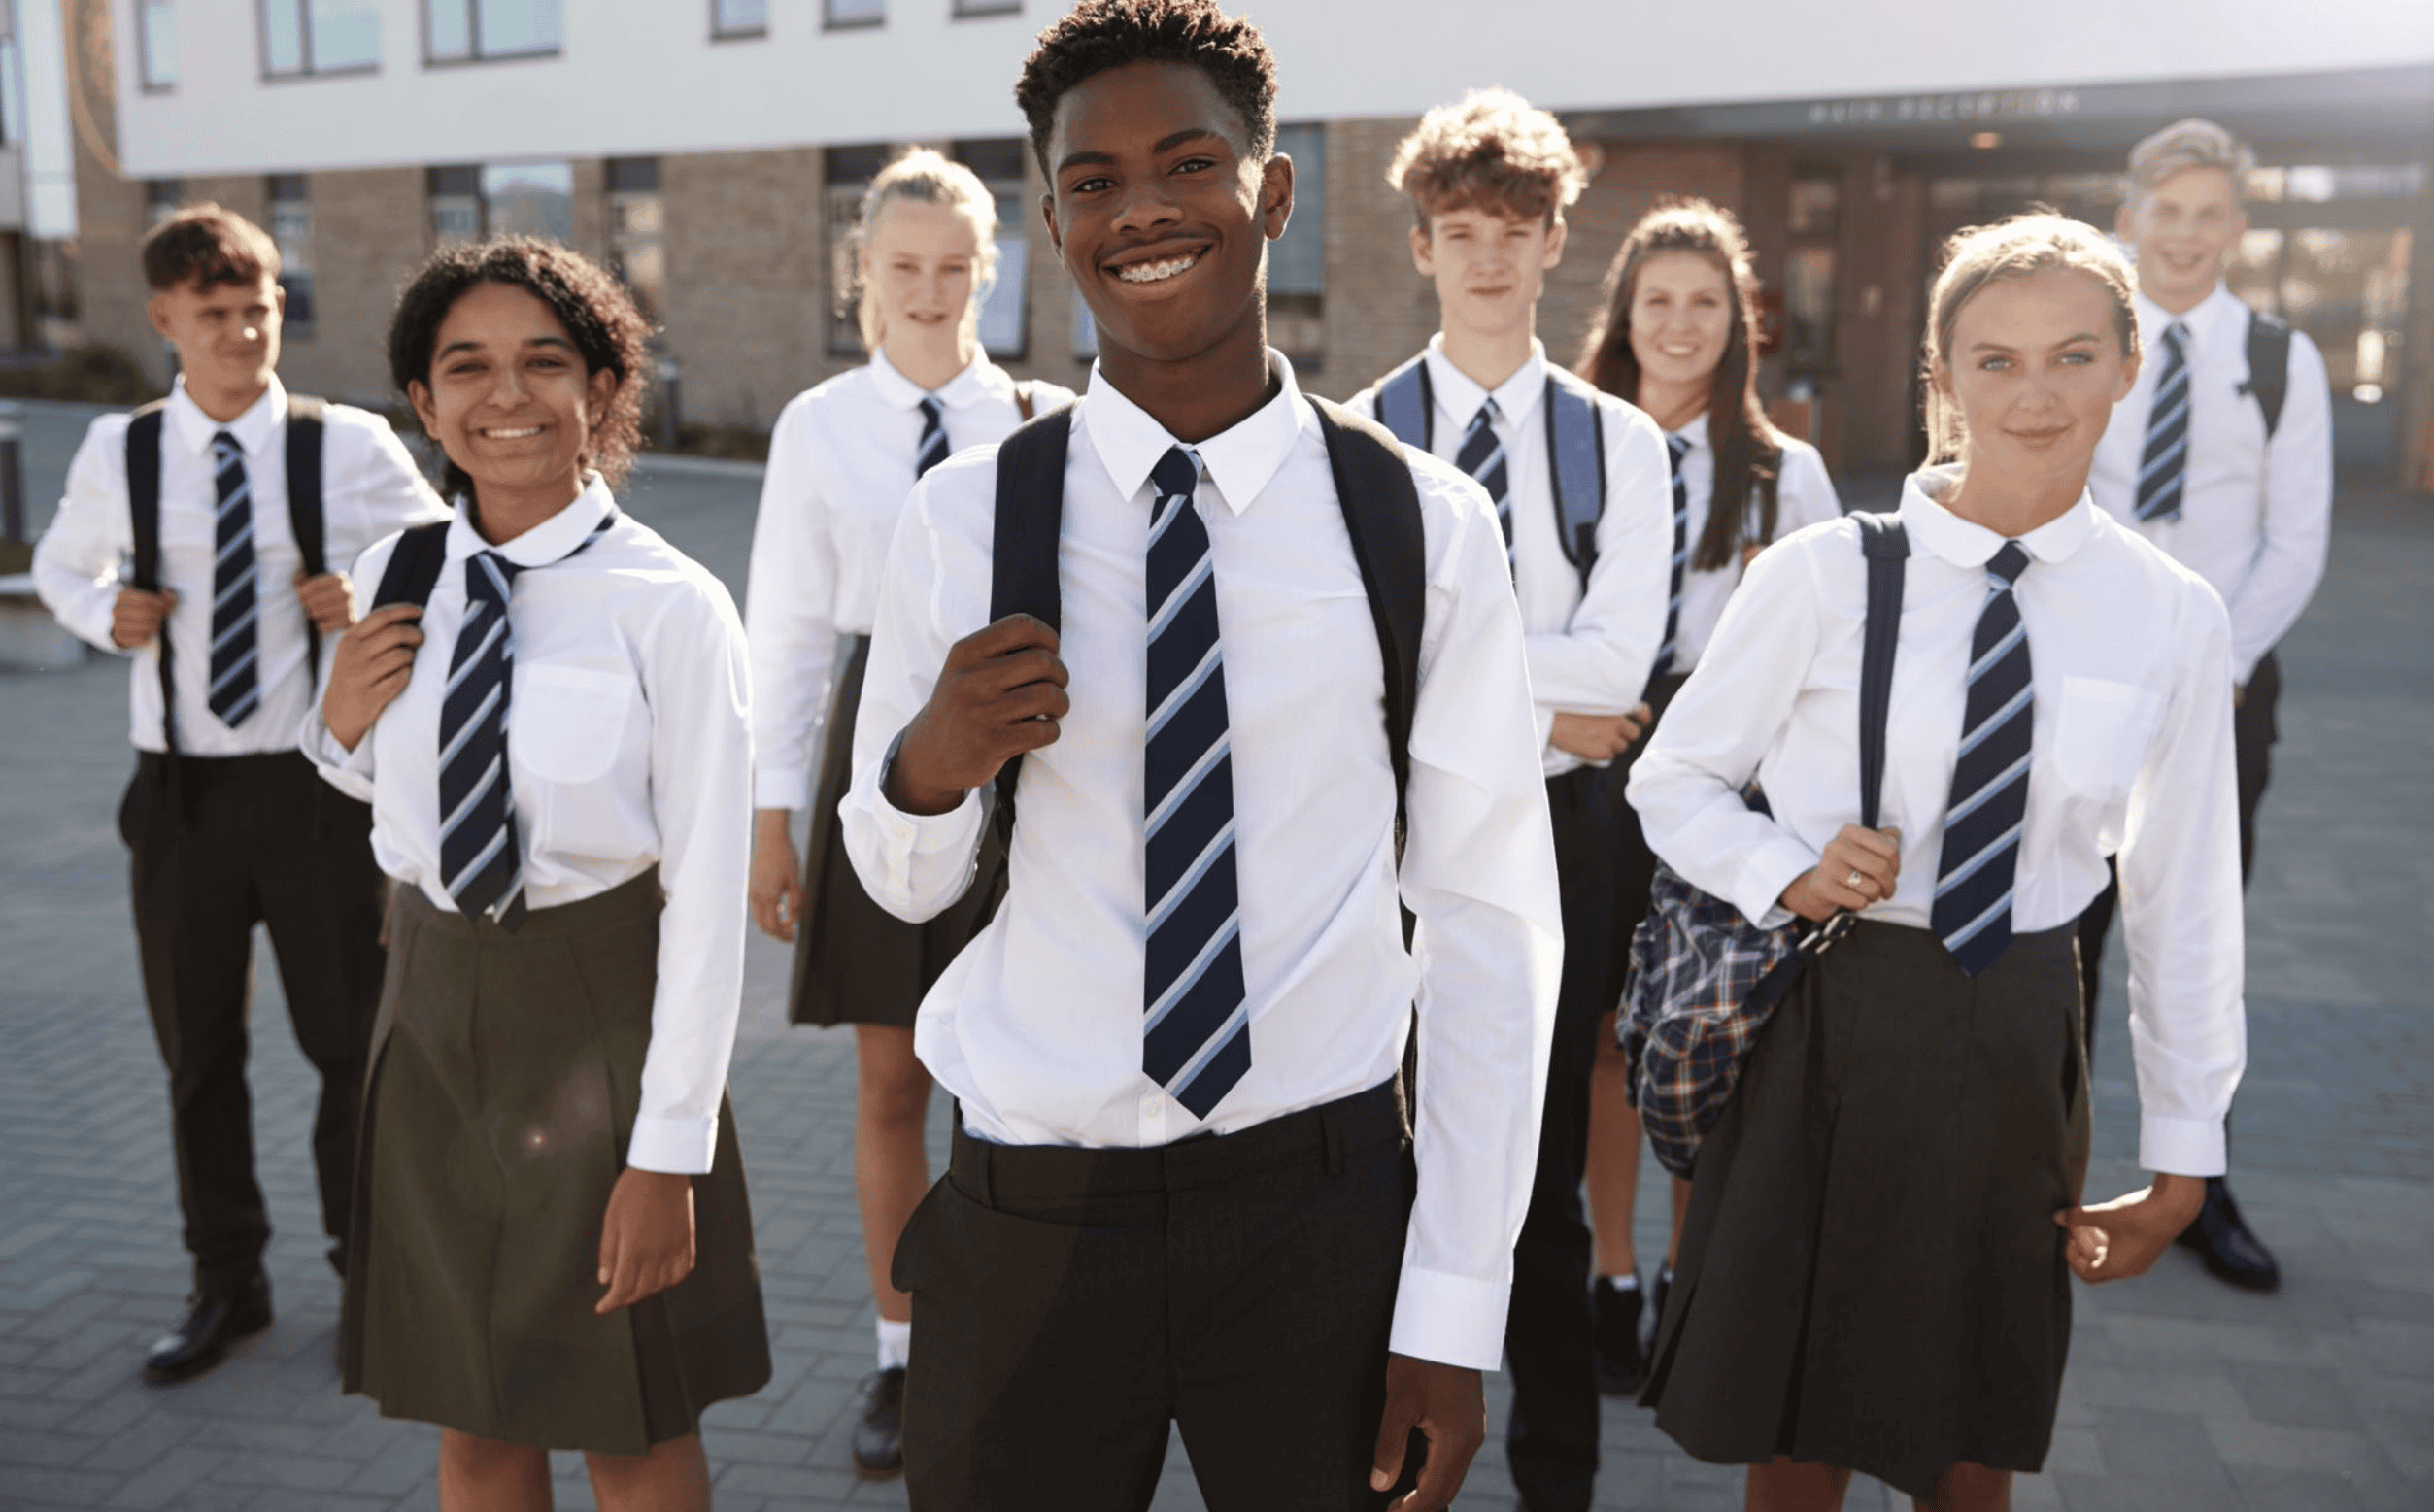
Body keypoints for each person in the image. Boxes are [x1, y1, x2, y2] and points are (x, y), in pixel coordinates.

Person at [838, 3, 1563, 1508]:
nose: (1142, 210)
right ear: (1050, 222)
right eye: (1092, 182)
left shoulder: (1418, 523)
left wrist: (1449, 1311)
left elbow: (1490, 929)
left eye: (1186, 163)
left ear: (1271, 194)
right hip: (1031, 1217)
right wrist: (929, 759)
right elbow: (899, 880)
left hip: (1316, 1216)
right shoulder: (965, 520)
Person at [1629, 214, 2247, 1508]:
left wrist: (2186, 1156)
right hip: (1825, 1025)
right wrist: (1783, 868)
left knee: (1974, 1423)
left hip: (2019, 1026)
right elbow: (1671, 778)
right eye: (1995, 360)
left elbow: (2184, 900)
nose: (2034, 394)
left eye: (2072, 355)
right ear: (1940, 380)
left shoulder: (2169, 614)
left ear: (2127, 365)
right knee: (1793, 1430)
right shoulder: (1822, 576)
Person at [306, 237, 770, 1512]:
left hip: (605, 1029)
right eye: (466, 367)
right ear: (421, 403)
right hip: (434, 1031)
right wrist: (332, 722)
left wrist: (667, 1150)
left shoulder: (670, 608)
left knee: (630, 1429)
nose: (502, 394)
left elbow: (709, 900)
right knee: (474, 1425)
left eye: (541, 363)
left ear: (604, 391)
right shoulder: (401, 579)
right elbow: (382, 800)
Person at [31, 204, 446, 1384]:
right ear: (166, 319)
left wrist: (362, 606)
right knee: (197, 1055)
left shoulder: (346, 447)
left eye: (259, 309)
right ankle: (228, 1282)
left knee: (345, 1050)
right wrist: (97, 611)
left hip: (317, 799)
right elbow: (61, 564)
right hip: (177, 804)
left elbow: (444, 568)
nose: (242, 332)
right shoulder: (124, 451)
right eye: (214, 314)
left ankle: (366, 1277)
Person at [1342, 90, 1670, 1512]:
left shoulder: (1622, 442)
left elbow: (1623, 656)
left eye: (1514, 231)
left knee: (1530, 1176)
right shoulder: (1351, 441)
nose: (1486, 257)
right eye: (1458, 232)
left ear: (1553, 245)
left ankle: (1557, 1479)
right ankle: (1368, 1455)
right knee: (1378, 1156)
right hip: (1391, 831)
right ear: (1419, 247)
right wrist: (1550, 701)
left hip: (1562, 835)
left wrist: (1468, 677)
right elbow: (1357, 667)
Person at [742, 147, 1074, 1479]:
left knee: (1015, 1085)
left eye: (954, 268)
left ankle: (1020, 1345)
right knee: (891, 1081)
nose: (930, 292)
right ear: (862, 276)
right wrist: (774, 818)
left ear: (987, 276)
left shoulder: (1049, 420)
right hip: (870, 764)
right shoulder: (818, 428)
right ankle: (898, 1350)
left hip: (1022, 767)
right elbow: (786, 635)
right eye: (903, 268)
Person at [1571, 198, 1843, 1394]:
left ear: (1741, 324)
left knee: (1695, 1030)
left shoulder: (1787, 473)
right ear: (1623, 318)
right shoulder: (1571, 446)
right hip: (1592, 756)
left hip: (1725, 775)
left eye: (1705, 303)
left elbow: (1828, 652)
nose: (1680, 325)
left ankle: (1687, 1273)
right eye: (1657, 301)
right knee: (1598, 1035)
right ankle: (1608, 1275)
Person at [2081, 117, 2329, 1294]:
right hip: (2076, 676)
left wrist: (2208, 660)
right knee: (2059, 943)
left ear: (2235, 227)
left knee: (2192, 943)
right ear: (2129, 215)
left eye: (2207, 214)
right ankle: (2040, 1177)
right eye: (2163, 211)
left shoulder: (2280, 360)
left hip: (2222, 686)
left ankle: (2198, 1186)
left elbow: (2297, 541)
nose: (2183, 235)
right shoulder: (2085, 338)